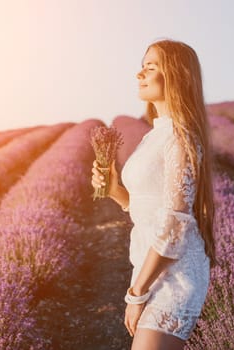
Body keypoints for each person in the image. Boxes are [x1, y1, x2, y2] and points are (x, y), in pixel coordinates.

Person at [91, 38, 216, 350]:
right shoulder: (157, 134)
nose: (139, 74)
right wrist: (116, 191)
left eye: (150, 67)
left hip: (175, 275)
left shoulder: (180, 137)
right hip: (154, 268)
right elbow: (149, 209)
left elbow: (175, 224)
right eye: (141, 67)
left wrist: (137, 293)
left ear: (177, 76)